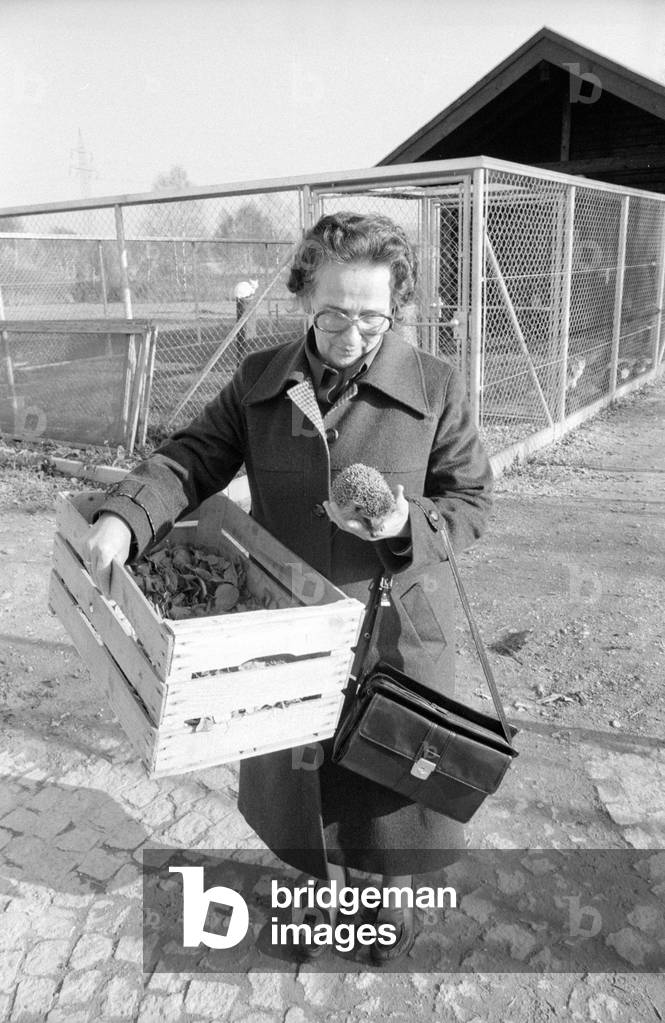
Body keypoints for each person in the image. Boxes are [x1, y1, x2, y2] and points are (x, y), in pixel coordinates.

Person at [83, 212, 493, 962]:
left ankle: (381, 906)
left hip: (392, 634)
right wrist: (124, 520)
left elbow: (470, 501)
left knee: (382, 789)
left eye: (372, 317)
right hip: (285, 636)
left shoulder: (435, 386)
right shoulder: (258, 382)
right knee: (299, 787)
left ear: (394, 308)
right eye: (334, 312)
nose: (351, 334)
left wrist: (408, 520)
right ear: (305, 296)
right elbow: (189, 460)